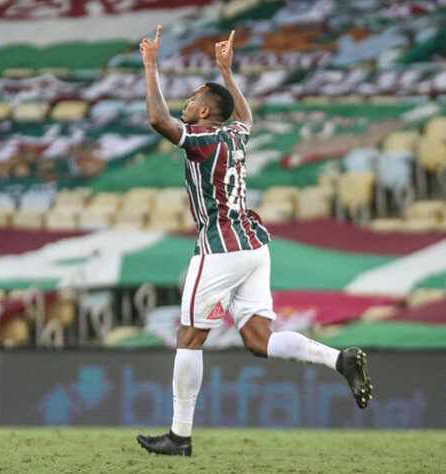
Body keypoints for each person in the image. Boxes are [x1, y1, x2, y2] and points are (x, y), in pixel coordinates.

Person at [135, 27, 373, 457]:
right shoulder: (235, 135)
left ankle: (179, 435)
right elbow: (247, 118)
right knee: (258, 339)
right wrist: (227, 71)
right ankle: (339, 359)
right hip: (253, 246)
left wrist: (152, 65)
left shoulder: (205, 140)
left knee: (190, 338)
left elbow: (157, 119)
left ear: (205, 110)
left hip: (221, 246)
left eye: (191, 98)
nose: (185, 103)